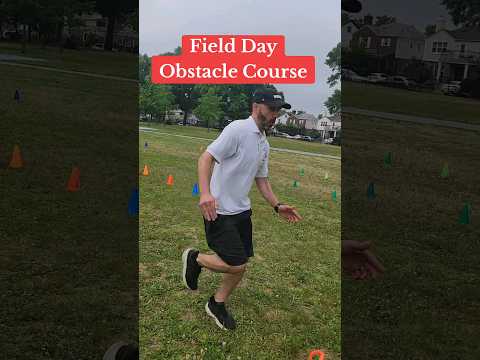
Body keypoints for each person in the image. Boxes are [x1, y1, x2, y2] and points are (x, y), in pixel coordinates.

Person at [182, 89, 302, 330]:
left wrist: (277, 205)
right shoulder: (238, 129)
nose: (275, 115)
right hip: (220, 210)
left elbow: (262, 179)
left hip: (241, 212)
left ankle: (217, 303)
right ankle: (196, 259)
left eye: (279, 110)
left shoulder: (263, 142)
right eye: (272, 109)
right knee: (236, 264)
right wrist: (205, 194)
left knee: (241, 261)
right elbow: (206, 158)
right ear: (257, 106)